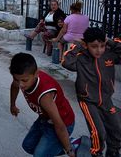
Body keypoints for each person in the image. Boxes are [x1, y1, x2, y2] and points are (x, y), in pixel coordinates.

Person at [9, 52, 90, 157]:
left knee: (39, 155)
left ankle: (73, 145)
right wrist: (12, 105)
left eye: (24, 81)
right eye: (16, 79)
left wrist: (69, 151)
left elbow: (59, 125)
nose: (21, 85)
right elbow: (14, 86)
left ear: (36, 74)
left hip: (63, 122)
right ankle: (69, 143)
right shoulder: (22, 78)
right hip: (44, 119)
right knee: (28, 146)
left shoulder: (45, 96)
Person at [62, 27, 121, 157]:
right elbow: (66, 62)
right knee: (98, 132)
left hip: (106, 100)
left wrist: (109, 42)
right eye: (94, 46)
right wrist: (78, 45)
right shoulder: (81, 57)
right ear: (86, 45)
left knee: (117, 129)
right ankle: (96, 153)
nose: (99, 50)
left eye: (102, 46)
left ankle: (113, 152)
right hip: (88, 101)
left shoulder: (109, 54)